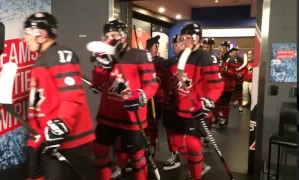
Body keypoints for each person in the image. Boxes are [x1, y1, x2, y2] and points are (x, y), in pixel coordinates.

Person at [23, 12, 95, 180]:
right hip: (45, 138)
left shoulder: (60, 55)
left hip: (69, 142)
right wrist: (35, 139)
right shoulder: (42, 60)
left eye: (27, 33)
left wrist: (59, 125)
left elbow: (71, 98)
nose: (24, 38)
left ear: (42, 34)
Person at [91, 19, 158, 180]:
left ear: (123, 36)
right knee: (99, 149)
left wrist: (141, 95)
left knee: (136, 156)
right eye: (107, 36)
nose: (110, 39)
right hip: (108, 114)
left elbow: (152, 84)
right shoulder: (105, 55)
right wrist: (100, 66)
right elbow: (98, 83)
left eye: (114, 35)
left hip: (132, 116)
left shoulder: (140, 55)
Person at [163, 23, 224, 180]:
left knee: (192, 143)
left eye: (188, 38)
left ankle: (196, 174)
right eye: (183, 38)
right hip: (179, 108)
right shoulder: (181, 56)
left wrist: (208, 101)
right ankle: (197, 163)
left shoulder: (206, 58)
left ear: (197, 38)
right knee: (176, 140)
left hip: (197, 109)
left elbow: (217, 86)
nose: (185, 41)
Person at [162, 34, 185, 171]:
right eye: (175, 45)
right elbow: (164, 82)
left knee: (187, 135)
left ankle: (195, 162)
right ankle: (174, 155)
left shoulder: (191, 61)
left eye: (181, 44)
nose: (178, 48)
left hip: (185, 103)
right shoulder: (168, 62)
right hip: (170, 102)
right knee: (170, 131)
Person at [212, 41, 236, 128]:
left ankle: (225, 120)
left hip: (228, 87)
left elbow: (234, 74)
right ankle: (216, 118)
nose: (220, 50)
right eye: (220, 48)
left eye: (223, 48)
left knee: (224, 105)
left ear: (227, 49)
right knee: (215, 103)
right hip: (219, 86)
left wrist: (224, 70)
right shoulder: (219, 59)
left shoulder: (232, 59)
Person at [230, 46, 248, 114]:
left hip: (238, 81)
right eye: (233, 52)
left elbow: (245, 69)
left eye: (235, 52)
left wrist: (240, 74)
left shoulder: (241, 60)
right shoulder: (229, 59)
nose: (234, 53)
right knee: (227, 95)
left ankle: (240, 106)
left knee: (239, 94)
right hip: (230, 80)